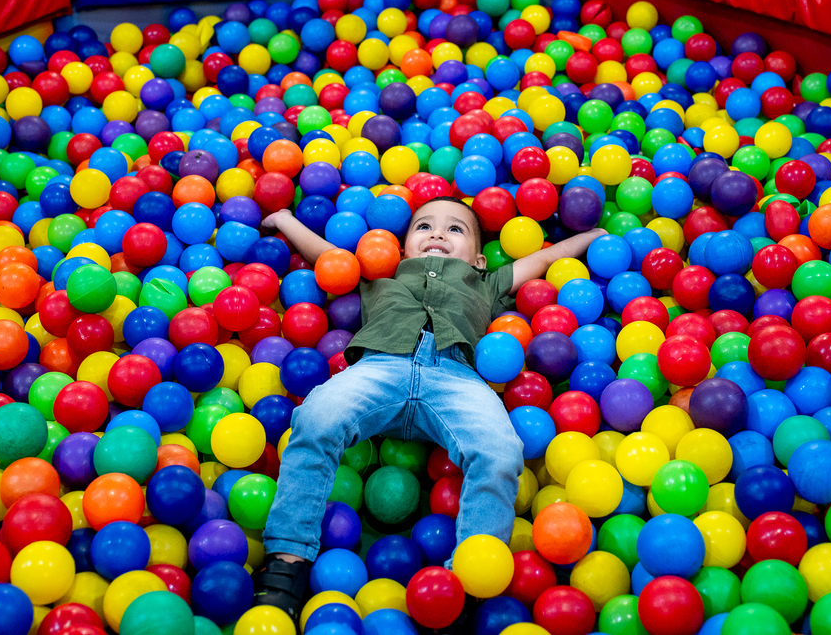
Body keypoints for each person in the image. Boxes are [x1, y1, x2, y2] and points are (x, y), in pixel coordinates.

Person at [252, 195, 606, 618]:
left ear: (477, 259)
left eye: (455, 229)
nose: (437, 233)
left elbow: (544, 258)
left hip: (456, 376)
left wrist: (591, 237)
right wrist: (286, 219)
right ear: (400, 249)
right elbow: (325, 256)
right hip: (381, 366)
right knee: (315, 418)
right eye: (424, 227)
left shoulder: (487, 282)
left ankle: (468, 588)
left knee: (500, 452)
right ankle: (287, 561)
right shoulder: (378, 275)